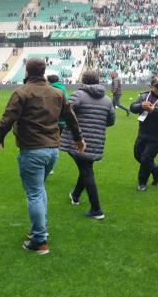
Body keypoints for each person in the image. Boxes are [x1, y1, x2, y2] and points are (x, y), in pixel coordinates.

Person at [0, 58, 85, 255]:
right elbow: (70, 117)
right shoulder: (57, 92)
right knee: (38, 190)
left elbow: (7, 118)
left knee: (34, 193)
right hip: (53, 150)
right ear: (44, 71)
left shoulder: (22, 92)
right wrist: (78, 139)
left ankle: (39, 240)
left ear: (27, 71)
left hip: (33, 150)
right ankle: (40, 230)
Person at [61, 71, 115, 219]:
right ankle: (75, 195)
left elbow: (65, 112)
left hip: (78, 141)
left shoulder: (78, 95)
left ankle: (96, 209)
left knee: (86, 171)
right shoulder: (107, 100)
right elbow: (111, 121)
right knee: (86, 169)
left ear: (83, 81)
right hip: (96, 140)